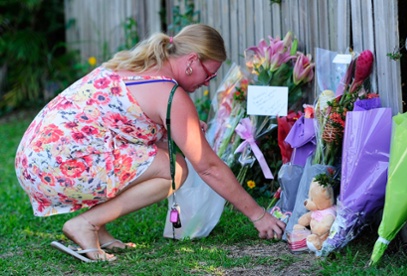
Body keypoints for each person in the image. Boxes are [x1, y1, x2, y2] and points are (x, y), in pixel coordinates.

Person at [14, 23, 285, 262]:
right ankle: (86, 223)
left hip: (37, 158)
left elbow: (115, 130)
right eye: (209, 74)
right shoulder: (170, 94)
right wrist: (258, 215)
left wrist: (175, 132)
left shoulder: (132, 66)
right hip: (58, 164)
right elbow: (209, 167)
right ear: (192, 60)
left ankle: (98, 228)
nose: (208, 83)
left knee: (157, 157)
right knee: (174, 171)